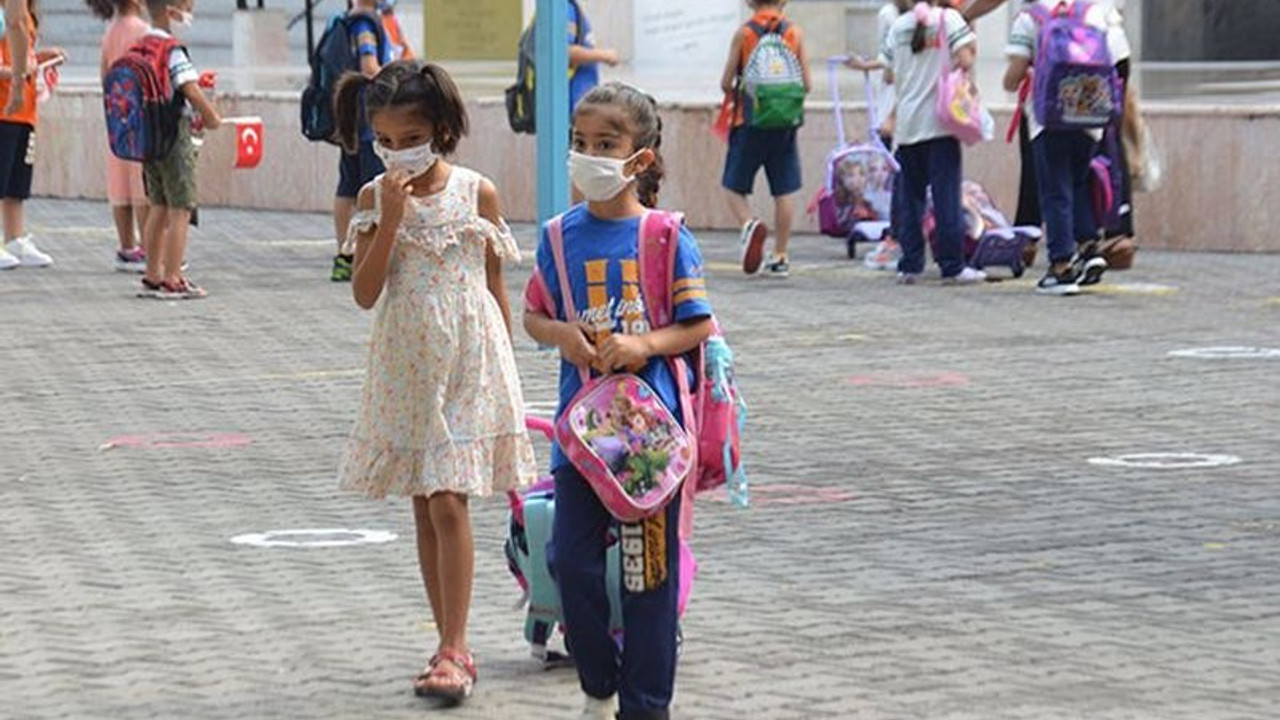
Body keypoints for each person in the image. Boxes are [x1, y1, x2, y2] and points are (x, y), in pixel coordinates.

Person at [334, 60, 538, 703]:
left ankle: (455, 648)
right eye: (386, 141)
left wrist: (507, 373)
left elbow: (495, 285)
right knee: (427, 499)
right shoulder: (373, 198)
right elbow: (365, 293)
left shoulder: (476, 192)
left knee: (450, 497)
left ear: (442, 129)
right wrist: (389, 219)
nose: (398, 154)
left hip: (471, 362)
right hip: (408, 363)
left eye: (411, 138)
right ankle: (446, 635)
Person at [522, 81, 715, 720]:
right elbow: (534, 315)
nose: (588, 155)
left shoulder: (665, 237)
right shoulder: (557, 237)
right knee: (570, 562)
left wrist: (644, 346)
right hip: (582, 439)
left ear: (639, 158)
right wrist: (563, 336)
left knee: (647, 581)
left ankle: (645, 706)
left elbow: (697, 324)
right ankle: (598, 680)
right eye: (580, 143)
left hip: (649, 448)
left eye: (605, 144)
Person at [1004, 0, 1127, 295]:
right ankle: (1088, 250)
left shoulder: (1030, 16)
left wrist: (1011, 82)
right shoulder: (1098, 10)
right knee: (1079, 182)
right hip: (1091, 116)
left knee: (1055, 191)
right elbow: (1119, 60)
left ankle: (1061, 268)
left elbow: (1015, 72)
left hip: (1049, 117)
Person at [882, 0, 986, 285]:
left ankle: (910, 264)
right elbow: (965, 59)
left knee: (910, 199)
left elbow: (889, 74)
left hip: (907, 125)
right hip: (940, 124)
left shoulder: (899, 26)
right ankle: (952, 265)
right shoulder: (948, 19)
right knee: (946, 198)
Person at [720, 0, 812, 279]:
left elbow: (726, 83)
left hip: (749, 120)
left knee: (733, 187)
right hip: (785, 123)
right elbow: (807, 84)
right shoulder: (794, 33)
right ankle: (781, 255)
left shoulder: (745, 33)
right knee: (783, 190)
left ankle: (750, 224)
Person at [138, 0, 220, 298]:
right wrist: (211, 116)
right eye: (187, 5)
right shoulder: (171, 50)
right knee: (181, 207)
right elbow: (189, 88)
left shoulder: (142, 45)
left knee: (158, 204)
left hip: (149, 136)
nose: (190, 12)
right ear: (171, 11)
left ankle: (151, 274)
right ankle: (173, 277)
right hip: (173, 135)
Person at [88, 0, 151, 273]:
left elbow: (105, 74)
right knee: (141, 185)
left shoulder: (111, 30)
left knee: (120, 183)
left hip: (117, 116)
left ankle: (126, 247)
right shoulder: (142, 30)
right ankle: (149, 247)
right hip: (142, 116)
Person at [331, 0, 389, 282]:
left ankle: (344, 255)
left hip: (349, 119)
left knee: (347, 188)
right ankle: (367, 257)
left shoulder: (346, 20)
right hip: (368, 125)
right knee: (371, 192)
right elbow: (369, 67)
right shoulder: (365, 25)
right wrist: (395, 77)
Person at [0, 0, 59, 270]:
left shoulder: (26, 13)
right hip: (4, 106)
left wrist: (40, 59)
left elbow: (22, 51)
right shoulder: (9, 15)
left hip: (24, 110)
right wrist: (17, 76)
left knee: (17, 182)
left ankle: (15, 237)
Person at [567, 0, 618, 114]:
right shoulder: (565, 9)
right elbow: (565, 52)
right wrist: (605, 56)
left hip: (581, 102)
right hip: (572, 103)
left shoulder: (570, 7)